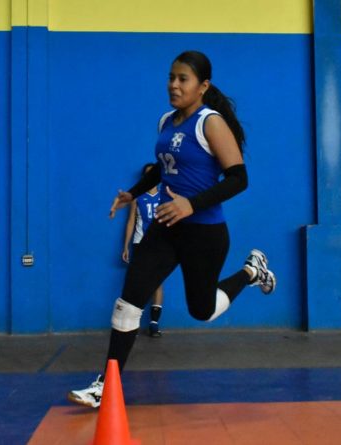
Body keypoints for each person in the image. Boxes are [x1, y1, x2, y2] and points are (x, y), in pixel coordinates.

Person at [68, 50, 276, 408]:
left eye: (183, 79)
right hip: (165, 228)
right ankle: (106, 386)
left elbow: (239, 179)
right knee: (128, 302)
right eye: (171, 77)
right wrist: (131, 194)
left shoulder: (209, 122)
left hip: (204, 233)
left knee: (203, 311)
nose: (174, 85)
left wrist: (191, 204)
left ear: (202, 86)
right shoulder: (167, 121)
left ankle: (250, 272)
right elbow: (161, 169)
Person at [122, 163, 165, 337]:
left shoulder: (165, 195)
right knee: (138, 281)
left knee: (157, 282)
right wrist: (125, 245)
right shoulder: (137, 197)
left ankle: (154, 323)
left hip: (160, 243)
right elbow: (131, 221)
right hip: (140, 242)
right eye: (147, 175)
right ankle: (132, 321)